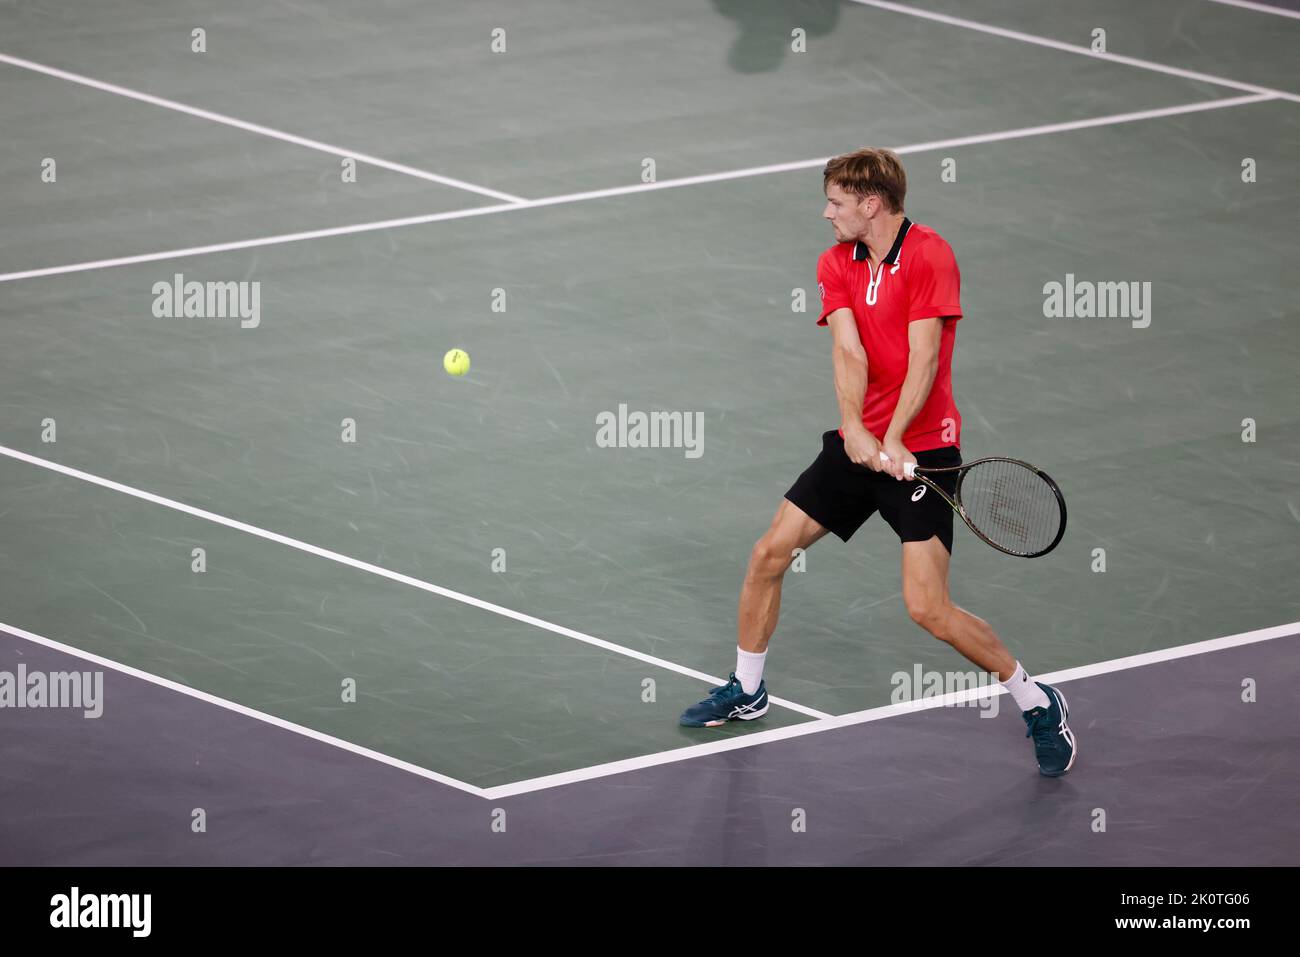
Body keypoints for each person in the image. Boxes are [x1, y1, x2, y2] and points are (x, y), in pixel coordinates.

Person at [679, 148, 1076, 776]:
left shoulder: (930, 255)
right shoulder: (835, 261)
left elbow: (925, 359)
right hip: (862, 444)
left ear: (871, 203)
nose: (826, 213)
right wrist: (857, 430)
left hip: (928, 452)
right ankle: (748, 689)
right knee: (768, 553)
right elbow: (847, 351)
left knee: (928, 609)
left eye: (836, 202)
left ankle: (1035, 698)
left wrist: (894, 437)